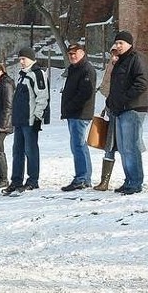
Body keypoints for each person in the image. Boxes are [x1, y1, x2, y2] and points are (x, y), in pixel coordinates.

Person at [105, 31, 148, 195]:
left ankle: (135, 181)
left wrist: (124, 99)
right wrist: (111, 100)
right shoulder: (120, 61)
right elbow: (116, 85)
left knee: (131, 147)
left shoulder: (136, 59)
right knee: (123, 148)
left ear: (129, 44)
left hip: (133, 108)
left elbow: (142, 83)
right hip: (120, 109)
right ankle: (129, 179)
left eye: (121, 43)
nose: (117, 46)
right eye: (116, 43)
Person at [3, 47, 49, 194]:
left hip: (30, 121)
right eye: (20, 59)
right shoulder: (23, 74)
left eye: (24, 59)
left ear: (31, 58)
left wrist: (38, 118)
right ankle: (16, 180)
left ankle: (32, 180)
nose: (21, 62)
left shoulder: (37, 74)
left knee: (31, 151)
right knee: (17, 152)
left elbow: (42, 97)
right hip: (20, 120)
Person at [60, 43, 96, 191]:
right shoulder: (74, 69)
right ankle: (84, 177)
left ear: (83, 53)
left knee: (78, 145)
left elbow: (85, 93)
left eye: (75, 53)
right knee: (79, 146)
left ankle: (82, 178)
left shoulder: (86, 69)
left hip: (80, 113)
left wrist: (70, 106)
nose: (72, 56)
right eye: (70, 54)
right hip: (73, 113)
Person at [94, 46, 119, 191]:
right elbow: (107, 88)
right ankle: (104, 181)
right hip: (112, 110)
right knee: (109, 146)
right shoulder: (112, 68)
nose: (113, 59)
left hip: (124, 111)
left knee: (128, 148)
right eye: (112, 56)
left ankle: (133, 179)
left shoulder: (126, 68)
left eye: (116, 56)